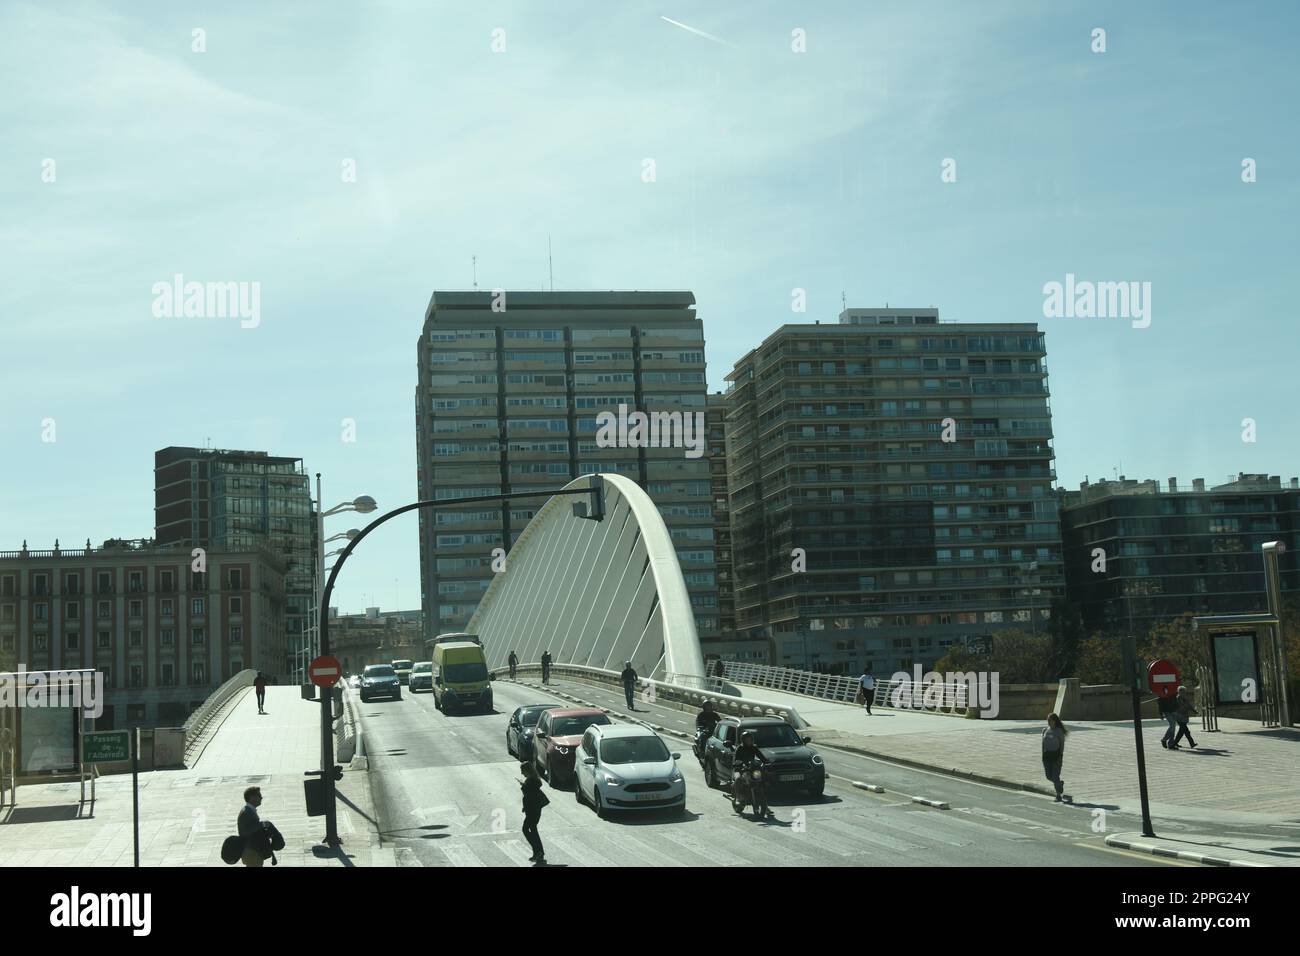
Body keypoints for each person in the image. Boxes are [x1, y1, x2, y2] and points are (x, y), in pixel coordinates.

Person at [520, 762, 549, 865]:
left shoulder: (531, 781)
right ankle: (538, 852)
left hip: (533, 810)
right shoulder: (533, 780)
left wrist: (524, 786)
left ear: (527, 770)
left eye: (523, 770)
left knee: (526, 829)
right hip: (534, 809)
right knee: (532, 829)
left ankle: (538, 851)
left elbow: (529, 794)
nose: (522, 773)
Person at [1041, 713, 1069, 802]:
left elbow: (1062, 745)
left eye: (1050, 720)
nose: (1048, 722)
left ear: (1055, 721)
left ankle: (1058, 794)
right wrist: (1042, 755)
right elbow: (1043, 744)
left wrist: (1060, 755)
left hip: (1056, 756)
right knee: (1048, 776)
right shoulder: (1045, 730)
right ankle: (1059, 784)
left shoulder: (1059, 731)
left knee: (1055, 776)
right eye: (1048, 720)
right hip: (1046, 756)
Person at [237, 786, 267, 867]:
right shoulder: (247, 812)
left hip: (251, 851)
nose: (261, 798)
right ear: (252, 797)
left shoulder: (248, 810)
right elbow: (247, 830)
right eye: (259, 796)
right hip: (252, 852)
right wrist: (263, 824)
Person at [1172, 685, 1197, 749]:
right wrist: (1183, 709)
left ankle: (1191, 743)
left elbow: (1189, 706)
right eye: (1182, 692)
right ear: (1179, 692)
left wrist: (1194, 710)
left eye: (1184, 692)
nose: (1183, 693)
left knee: (1185, 731)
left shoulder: (1185, 699)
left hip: (1184, 717)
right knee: (1183, 731)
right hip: (1179, 717)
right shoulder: (1177, 699)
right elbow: (1178, 708)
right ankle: (1174, 743)